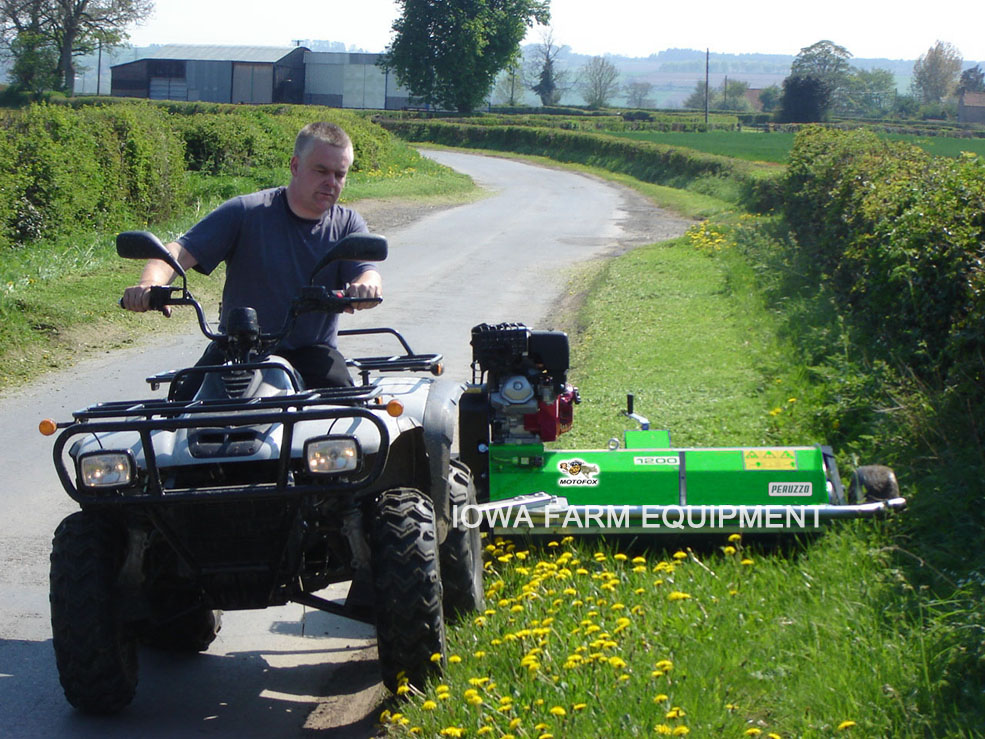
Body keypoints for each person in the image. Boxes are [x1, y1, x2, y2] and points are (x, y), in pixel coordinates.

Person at [121, 121, 382, 392]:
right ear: (295, 166)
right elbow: (178, 252)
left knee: (345, 412)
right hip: (236, 349)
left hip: (310, 353)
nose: (331, 183)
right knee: (179, 411)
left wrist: (367, 285)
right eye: (321, 171)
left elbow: (367, 271)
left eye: (339, 175)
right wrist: (150, 284)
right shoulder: (247, 212)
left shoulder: (347, 225)